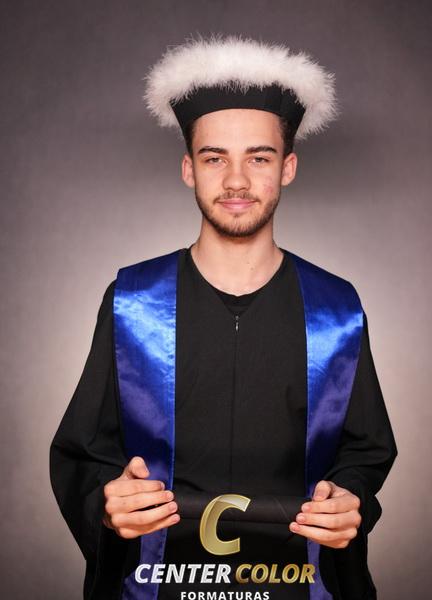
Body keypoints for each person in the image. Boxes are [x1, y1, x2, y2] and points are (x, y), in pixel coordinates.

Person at [50, 34, 397, 600]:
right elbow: (84, 454)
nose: (237, 181)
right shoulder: (133, 303)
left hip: (296, 582)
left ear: (288, 167)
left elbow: (364, 451)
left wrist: (349, 497)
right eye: (215, 158)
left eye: (259, 157)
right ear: (189, 168)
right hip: (161, 583)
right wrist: (108, 504)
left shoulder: (336, 311)